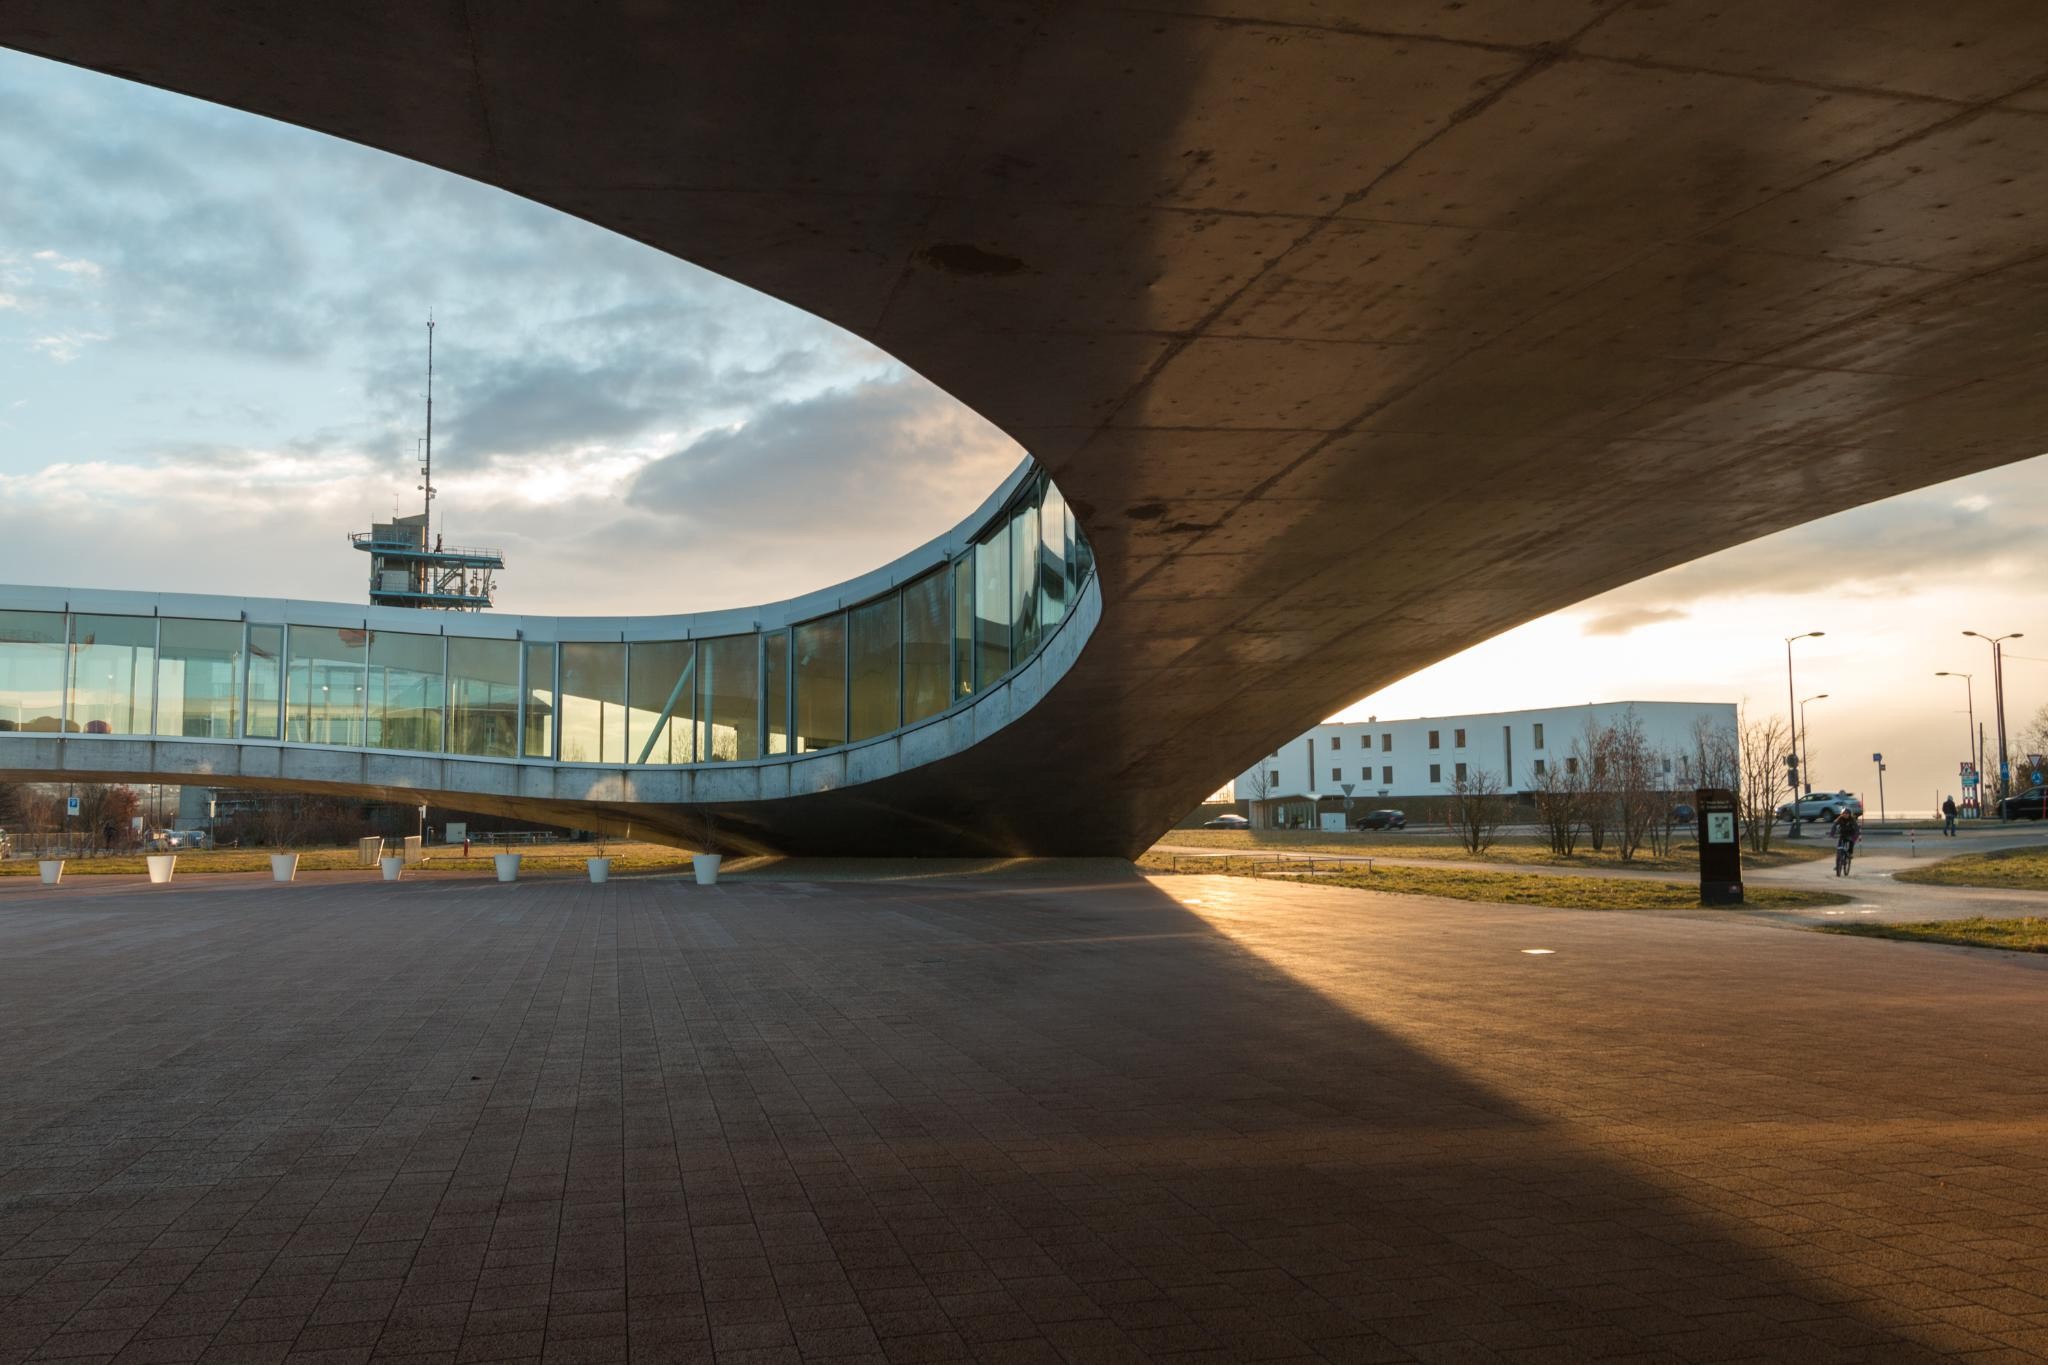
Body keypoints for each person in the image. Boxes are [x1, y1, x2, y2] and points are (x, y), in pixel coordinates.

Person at [1831, 807, 1861, 876]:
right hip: (1843, 834)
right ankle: (1838, 864)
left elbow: (1856, 829)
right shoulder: (1839, 819)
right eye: (1843, 813)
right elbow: (1834, 826)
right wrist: (1832, 833)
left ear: (1849, 814)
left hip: (1851, 834)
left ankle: (1850, 854)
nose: (1845, 815)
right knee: (1839, 848)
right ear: (1841, 814)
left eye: (1847, 813)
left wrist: (1855, 837)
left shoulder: (1852, 820)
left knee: (1851, 842)